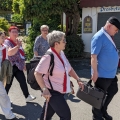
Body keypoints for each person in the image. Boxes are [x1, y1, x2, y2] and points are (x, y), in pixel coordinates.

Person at [34, 30, 84, 120]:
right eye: (63, 40)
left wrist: (78, 79)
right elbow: (37, 73)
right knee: (66, 115)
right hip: (53, 92)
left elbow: (69, 68)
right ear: (56, 44)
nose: (65, 42)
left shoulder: (61, 53)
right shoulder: (48, 56)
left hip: (60, 92)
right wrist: (44, 89)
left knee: (46, 116)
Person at [91, 16, 120, 120]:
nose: (116, 32)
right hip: (102, 74)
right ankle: (97, 117)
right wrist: (94, 72)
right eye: (115, 29)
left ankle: (103, 111)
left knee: (113, 90)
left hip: (111, 74)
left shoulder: (107, 35)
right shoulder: (99, 36)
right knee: (98, 97)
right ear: (109, 26)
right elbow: (93, 57)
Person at [4, 26, 36, 103]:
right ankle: (4, 99)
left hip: (18, 66)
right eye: (13, 32)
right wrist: (17, 46)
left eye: (16, 32)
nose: (15, 33)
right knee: (8, 84)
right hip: (10, 66)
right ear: (9, 33)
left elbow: (21, 54)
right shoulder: (6, 42)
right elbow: (9, 53)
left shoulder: (18, 41)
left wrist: (24, 63)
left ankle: (27, 96)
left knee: (22, 81)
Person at [0, 31, 16, 120]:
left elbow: (5, 61)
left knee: (2, 94)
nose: (4, 39)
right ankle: (9, 115)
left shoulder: (4, 48)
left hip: (1, 75)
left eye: (4, 37)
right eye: (2, 37)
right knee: (3, 94)